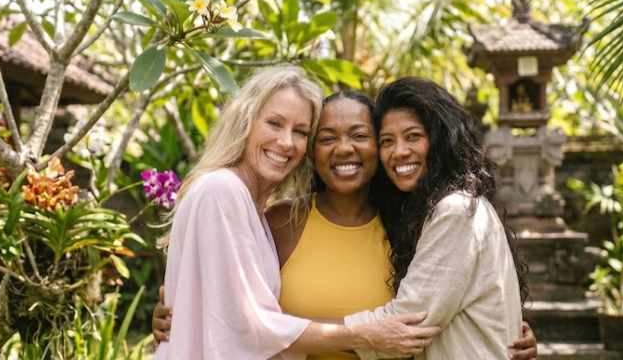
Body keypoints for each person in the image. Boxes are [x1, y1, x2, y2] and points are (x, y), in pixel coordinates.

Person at [152, 88, 538, 359]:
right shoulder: (278, 221)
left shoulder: (410, 228)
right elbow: (229, 304)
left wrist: (500, 332)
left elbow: (437, 310)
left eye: (361, 135)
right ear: (311, 151)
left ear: (377, 147)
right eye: (325, 137)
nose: (344, 148)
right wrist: (178, 315)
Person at [152, 67, 439, 360]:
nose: (287, 142)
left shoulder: (255, 212)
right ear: (245, 121)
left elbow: (226, 309)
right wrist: (367, 334)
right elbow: (249, 324)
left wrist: (185, 314)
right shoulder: (225, 190)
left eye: (300, 131)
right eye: (274, 123)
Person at [345, 77, 527, 359]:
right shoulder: (427, 211)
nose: (399, 151)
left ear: (441, 139)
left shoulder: (456, 211)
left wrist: (301, 335)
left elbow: (408, 323)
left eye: (413, 136)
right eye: (387, 141)